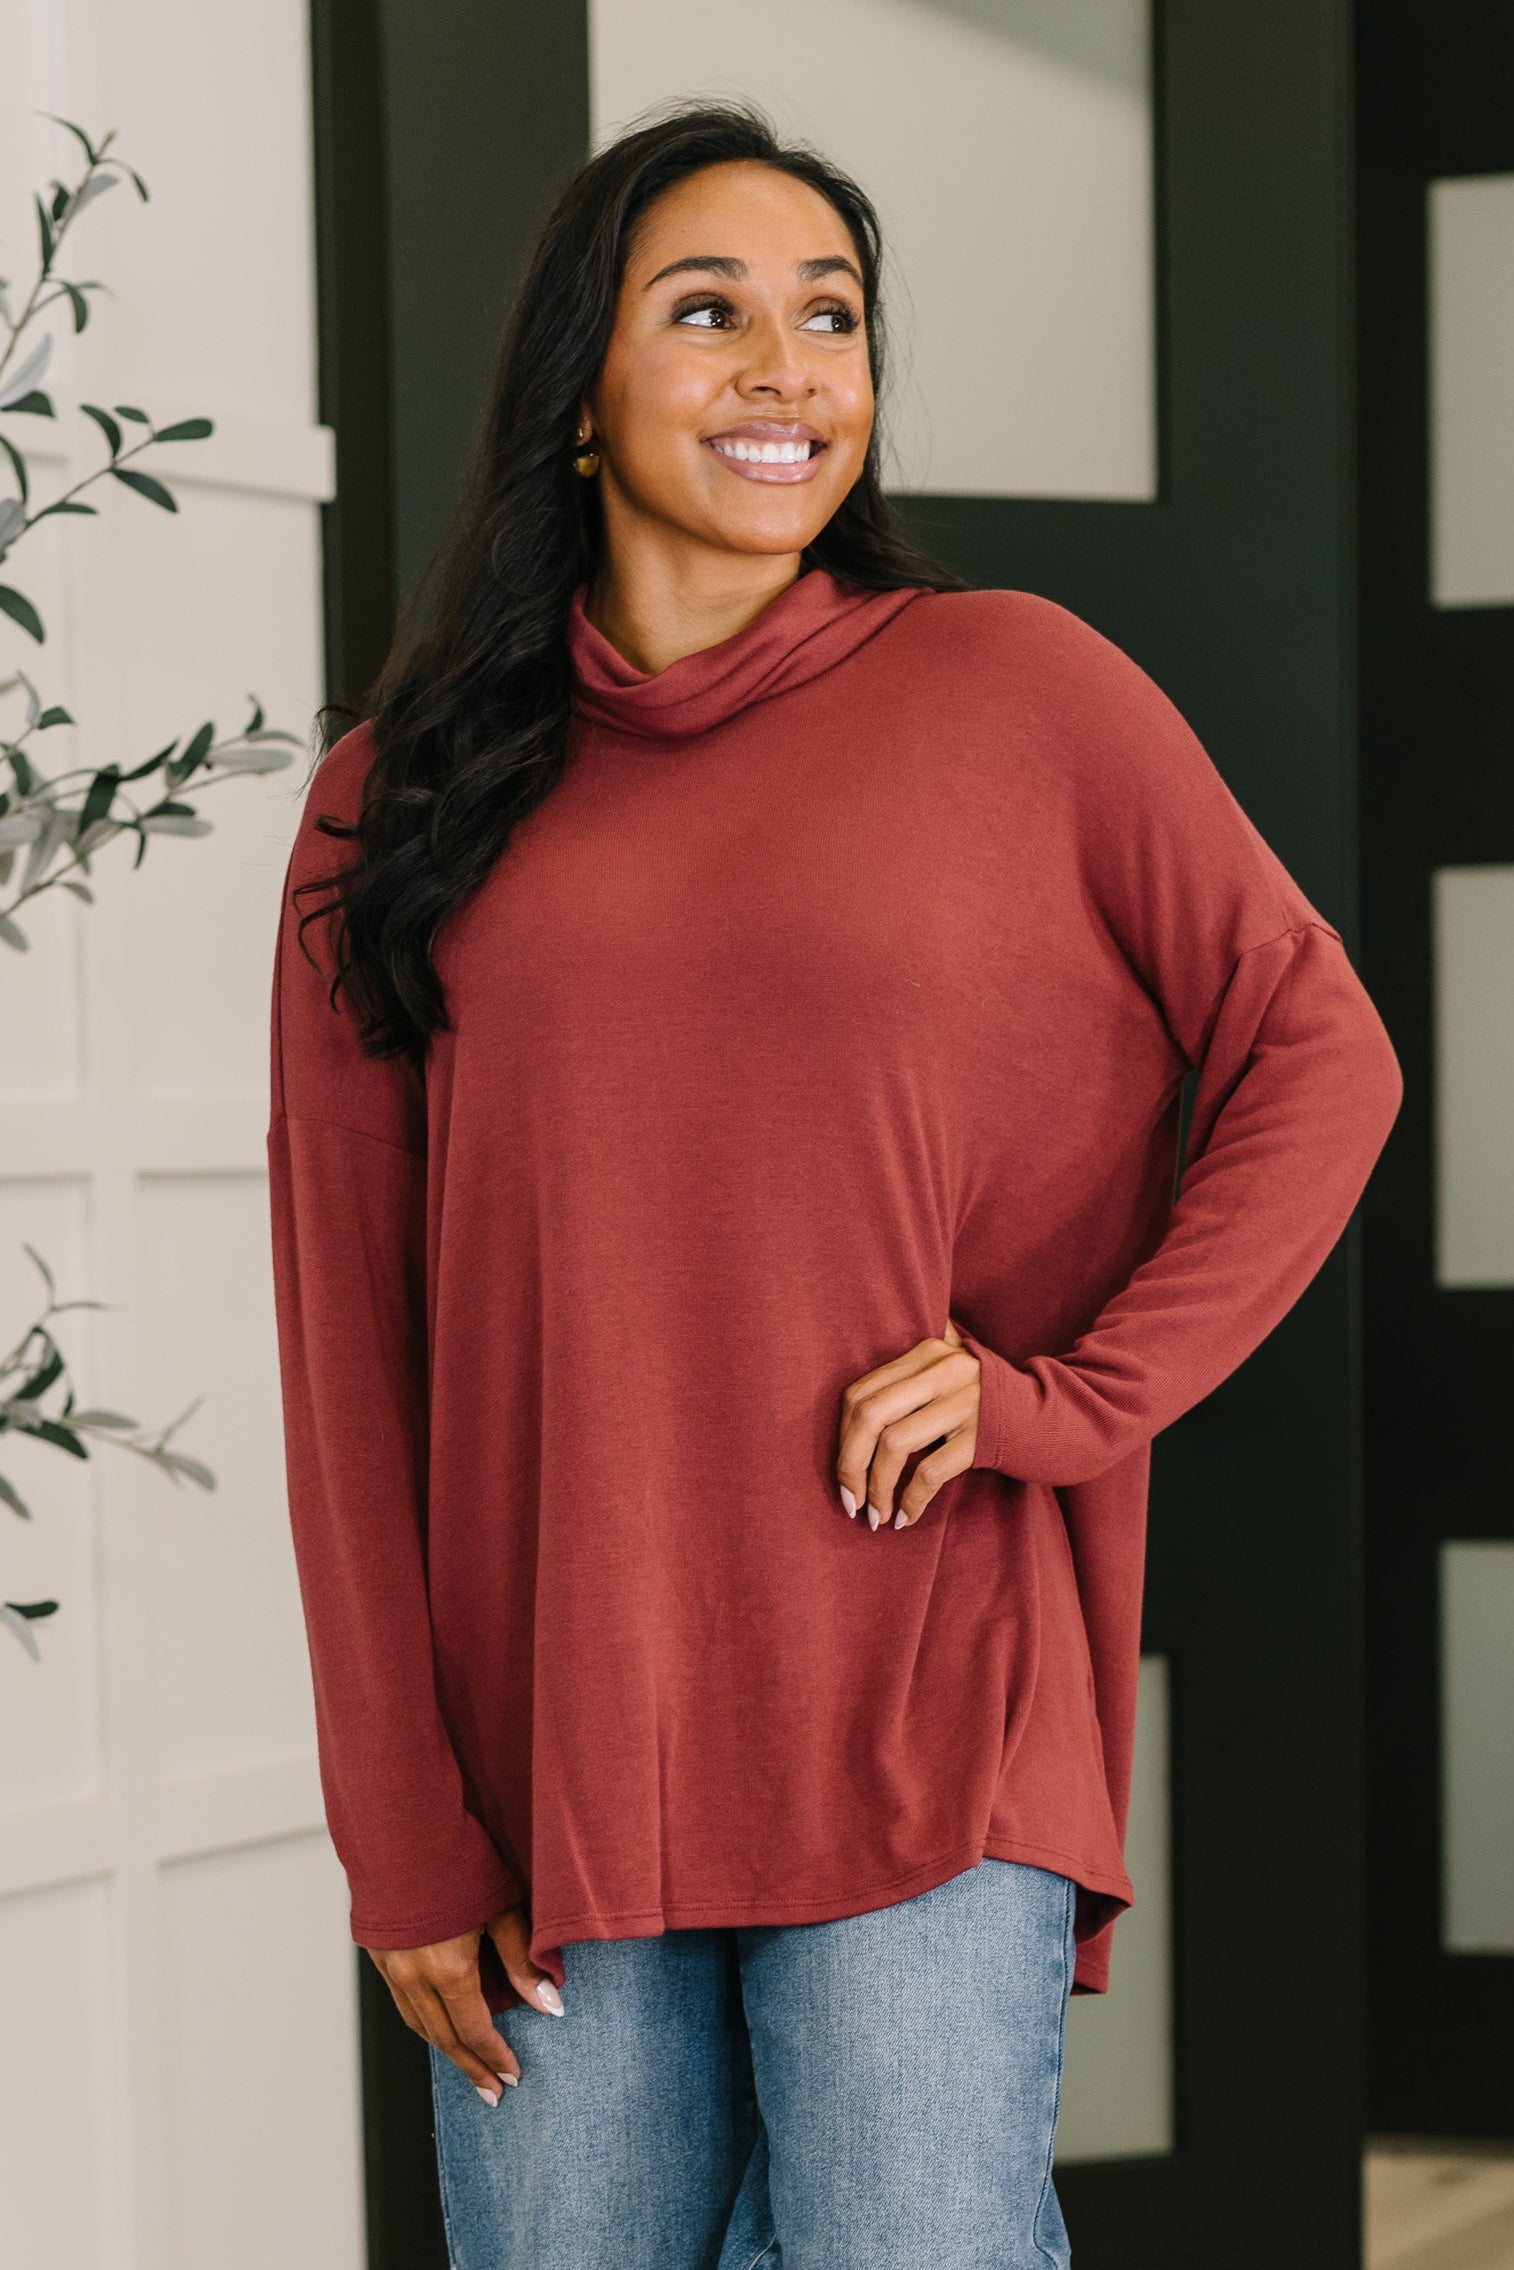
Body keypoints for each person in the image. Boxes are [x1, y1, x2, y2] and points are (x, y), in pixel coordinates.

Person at [266, 98, 1402, 2270]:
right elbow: (348, 1347)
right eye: (711, 313)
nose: (789, 366)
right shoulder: (388, 806)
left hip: (922, 1674)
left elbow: (1313, 1044)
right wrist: (400, 1826)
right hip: (550, 1744)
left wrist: (1064, 1396)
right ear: (580, 392)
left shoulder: (1018, 688)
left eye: (834, 316)